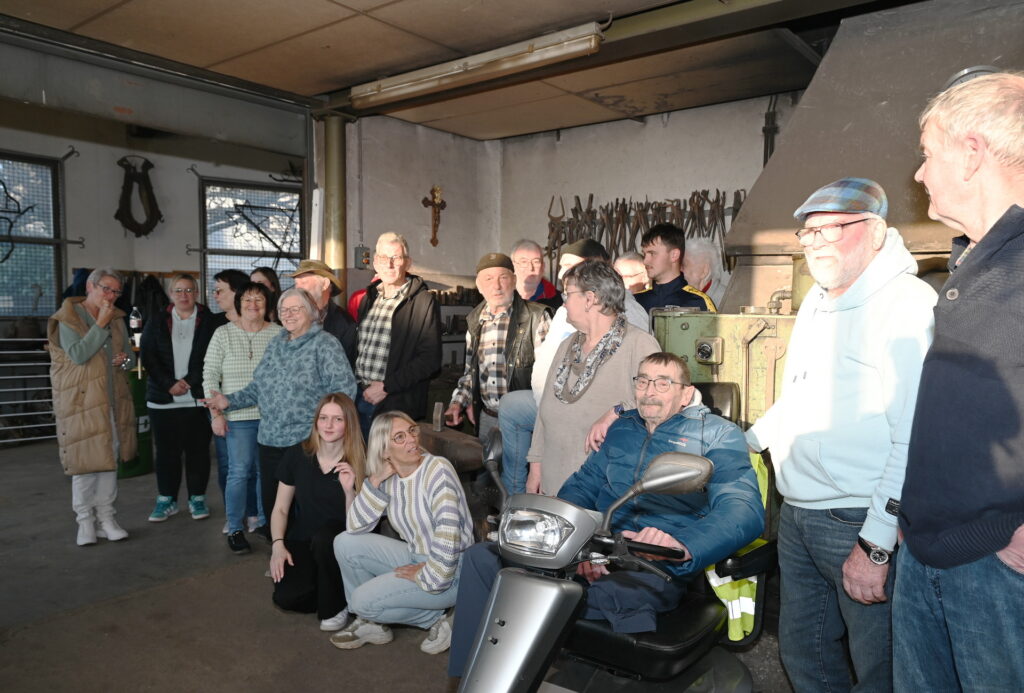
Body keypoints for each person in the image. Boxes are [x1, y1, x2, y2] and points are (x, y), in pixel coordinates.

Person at [447, 352, 764, 682]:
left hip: (656, 560)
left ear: (685, 394)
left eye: (663, 382)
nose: (649, 390)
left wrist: (683, 544)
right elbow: (583, 487)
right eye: (642, 380)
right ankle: (467, 680)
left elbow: (742, 510)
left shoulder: (716, 435)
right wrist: (573, 543)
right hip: (598, 545)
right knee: (483, 558)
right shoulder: (623, 428)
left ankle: (610, 679)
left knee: (602, 596)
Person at [745, 177, 936, 692]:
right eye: (808, 235)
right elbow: (802, 401)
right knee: (805, 656)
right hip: (799, 514)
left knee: (879, 668)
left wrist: (875, 544)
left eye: (831, 230)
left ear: (875, 231)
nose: (816, 246)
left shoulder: (906, 304)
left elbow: (914, 436)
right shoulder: (818, 302)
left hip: (856, 517)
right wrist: (739, 440)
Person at [894, 71, 1024, 691]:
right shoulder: (975, 260)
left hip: (996, 565)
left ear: (971, 153)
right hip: (927, 551)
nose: (919, 175)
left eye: (927, 154)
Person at [498, 239, 650, 494]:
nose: (564, 301)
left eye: (568, 295)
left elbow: (659, 402)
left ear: (590, 299)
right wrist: (536, 466)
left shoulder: (639, 344)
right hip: (554, 476)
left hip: (601, 485)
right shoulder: (568, 344)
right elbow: (547, 403)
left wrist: (616, 411)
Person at [204, 287, 357, 537]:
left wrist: (328, 430)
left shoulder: (325, 344)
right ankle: (281, 557)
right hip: (270, 442)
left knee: (306, 514)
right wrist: (228, 401)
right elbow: (259, 387)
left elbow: (344, 392)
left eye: (296, 309)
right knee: (275, 509)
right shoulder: (277, 343)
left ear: (311, 312)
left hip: (306, 443)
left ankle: (306, 566)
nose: (289, 314)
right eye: (285, 309)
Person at [331, 411, 473, 654]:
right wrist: (375, 480)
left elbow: (449, 538)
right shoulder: (390, 479)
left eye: (412, 431)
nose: (411, 440)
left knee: (361, 602)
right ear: (384, 450)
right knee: (344, 543)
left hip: (452, 570)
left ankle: (440, 620)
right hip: (415, 556)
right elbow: (354, 526)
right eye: (399, 437)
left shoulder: (437, 470)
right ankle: (374, 623)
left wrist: (426, 573)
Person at [47, 268, 136, 546]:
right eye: (105, 289)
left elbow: (131, 362)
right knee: (85, 462)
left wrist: (123, 359)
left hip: (112, 400)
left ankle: (107, 518)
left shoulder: (118, 319)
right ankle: (85, 522)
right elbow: (78, 355)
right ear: (90, 286)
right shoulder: (67, 319)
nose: (110, 296)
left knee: (109, 460)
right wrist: (101, 324)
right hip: (82, 403)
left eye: (116, 291)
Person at [269, 393, 365, 632]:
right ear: (316, 421)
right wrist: (278, 545)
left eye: (337, 419)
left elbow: (358, 524)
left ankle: (336, 605)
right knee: (286, 598)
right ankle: (338, 591)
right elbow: (281, 508)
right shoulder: (297, 455)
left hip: (342, 541)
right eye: (323, 418)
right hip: (304, 538)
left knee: (326, 537)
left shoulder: (359, 460)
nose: (328, 425)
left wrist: (349, 491)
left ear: (349, 423)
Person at [203, 281, 283, 554]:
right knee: (239, 471)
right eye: (247, 300)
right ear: (239, 304)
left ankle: (265, 523)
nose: (253, 305)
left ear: (267, 305)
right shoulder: (222, 334)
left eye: (259, 300)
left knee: (266, 473)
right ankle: (235, 527)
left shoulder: (279, 334)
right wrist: (216, 414)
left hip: (271, 417)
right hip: (236, 416)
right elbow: (210, 374)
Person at [444, 253, 550, 439]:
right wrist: (457, 404)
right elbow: (470, 374)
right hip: (487, 419)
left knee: (519, 469)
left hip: (524, 422)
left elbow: (548, 379)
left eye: (503, 277)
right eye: (489, 278)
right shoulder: (475, 322)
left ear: (514, 280)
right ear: (479, 285)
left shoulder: (536, 318)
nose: (497, 286)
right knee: (486, 467)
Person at [140, 274, 219, 523]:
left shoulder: (210, 321)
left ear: (197, 293)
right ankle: (167, 500)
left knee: (198, 452)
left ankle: (197, 498)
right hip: (162, 400)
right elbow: (149, 356)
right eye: (178, 290)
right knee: (166, 453)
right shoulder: (156, 319)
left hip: (196, 399)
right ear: (171, 294)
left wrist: (189, 382)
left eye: (188, 290)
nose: (183, 295)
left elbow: (212, 356)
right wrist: (169, 384)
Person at [354, 233, 441, 437]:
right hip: (360, 397)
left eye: (397, 258)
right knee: (361, 464)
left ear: (407, 263)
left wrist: (387, 387)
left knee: (390, 466)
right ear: (375, 262)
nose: (390, 264)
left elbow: (430, 360)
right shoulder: (369, 298)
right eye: (384, 258)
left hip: (394, 402)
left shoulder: (422, 302)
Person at [209, 268, 251, 509]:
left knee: (253, 468)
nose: (215, 295)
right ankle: (233, 514)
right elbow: (207, 371)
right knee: (230, 466)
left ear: (237, 292)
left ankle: (256, 514)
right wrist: (216, 413)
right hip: (226, 410)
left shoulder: (266, 326)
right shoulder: (215, 326)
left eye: (220, 290)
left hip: (257, 409)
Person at [290, 259, 357, 366]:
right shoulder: (290, 317)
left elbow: (346, 370)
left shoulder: (345, 324)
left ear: (325, 284)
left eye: (303, 282)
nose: (297, 288)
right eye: (296, 283)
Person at [635, 223, 715, 313]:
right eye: (644, 254)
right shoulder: (635, 301)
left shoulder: (699, 302)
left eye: (652, 254)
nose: (645, 261)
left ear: (674, 255)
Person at [511, 238, 561, 310]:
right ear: (513, 266)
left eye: (536, 262)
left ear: (543, 266)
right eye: (524, 262)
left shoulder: (559, 301)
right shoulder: (501, 296)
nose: (530, 268)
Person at [681, 237, 731, 308]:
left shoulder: (727, 302)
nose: (678, 270)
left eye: (683, 265)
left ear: (704, 270)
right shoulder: (682, 296)